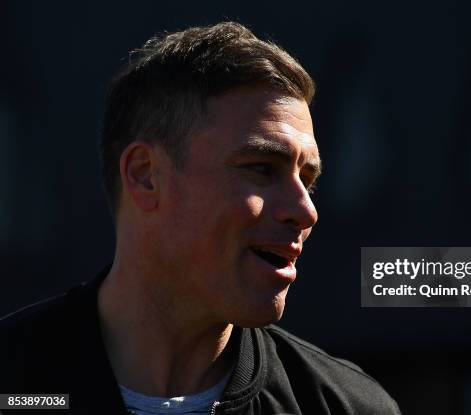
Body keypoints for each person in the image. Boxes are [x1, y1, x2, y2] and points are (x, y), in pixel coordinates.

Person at [0, 22, 401, 414]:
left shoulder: (344, 405)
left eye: (307, 180)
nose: (305, 211)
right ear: (145, 175)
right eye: (262, 168)